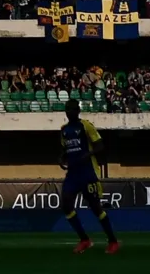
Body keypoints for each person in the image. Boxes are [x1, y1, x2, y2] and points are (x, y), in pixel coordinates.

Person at [57, 99, 118, 254]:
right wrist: (62, 157)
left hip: (88, 172)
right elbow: (67, 149)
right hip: (73, 174)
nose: (69, 112)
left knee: (95, 207)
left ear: (78, 110)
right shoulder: (64, 130)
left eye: (72, 109)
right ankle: (84, 239)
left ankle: (112, 241)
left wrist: (88, 154)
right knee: (66, 204)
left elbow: (100, 145)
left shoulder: (86, 126)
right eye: (67, 109)